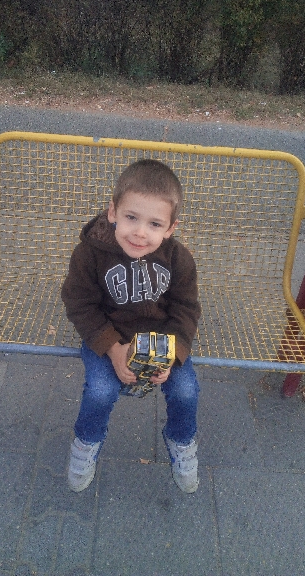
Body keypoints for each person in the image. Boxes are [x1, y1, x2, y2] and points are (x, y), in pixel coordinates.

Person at [61, 158, 201, 493]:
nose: (140, 232)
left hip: (162, 340)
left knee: (185, 390)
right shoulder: (90, 254)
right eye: (131, 218)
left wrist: (171, 354)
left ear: (170, 228)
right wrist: (112, 348)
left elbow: (185, 308)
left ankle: (181, 441)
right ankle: (86, 443)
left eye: (155, 224)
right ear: (113, 212)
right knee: (100, 391)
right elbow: (80, 304)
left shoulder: (178, 258)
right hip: (107, 335)